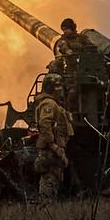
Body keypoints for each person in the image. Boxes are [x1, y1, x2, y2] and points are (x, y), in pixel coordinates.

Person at [34, 73, 74, 202]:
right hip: (50, 150)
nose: (61, 89)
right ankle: (46, 208)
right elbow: (45, 125)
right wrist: (54, 146)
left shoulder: (53, 104)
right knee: (49, 179)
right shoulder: (49, 104)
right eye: (58, 86)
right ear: (51, 88)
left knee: (54, 178)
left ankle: (48, 207)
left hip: (54, 149)